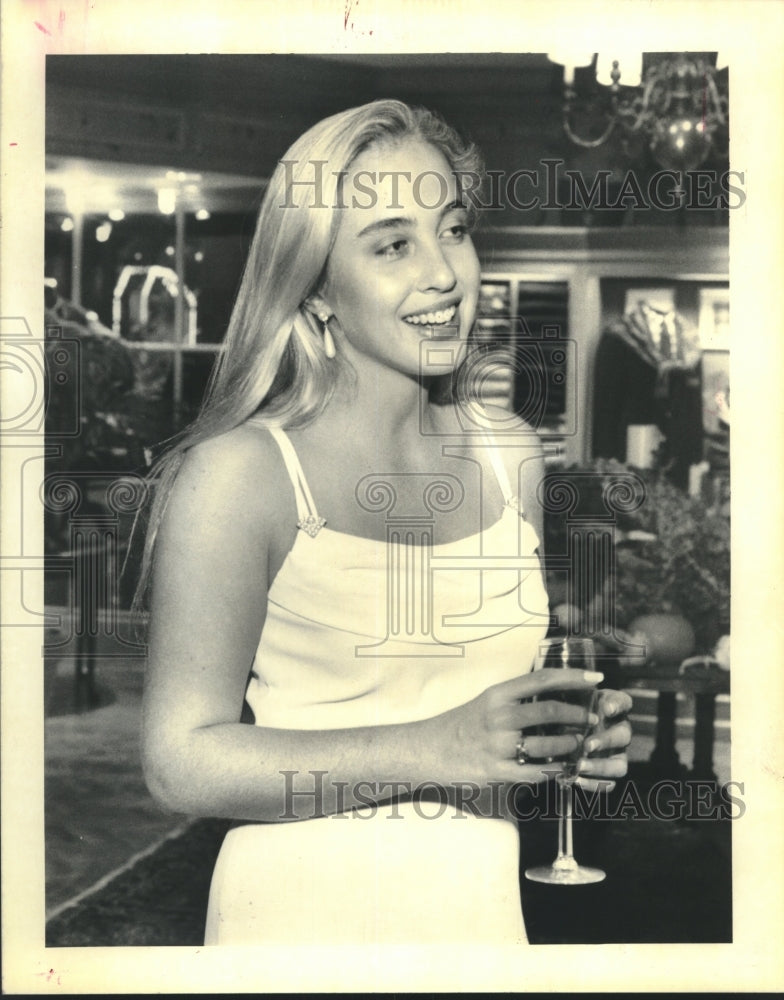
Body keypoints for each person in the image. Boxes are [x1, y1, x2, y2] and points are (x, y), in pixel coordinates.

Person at [138, 99, 632, 946]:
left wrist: (569, 750)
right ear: (319, 289)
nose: (443, 273)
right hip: (294, 928)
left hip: (478, 918)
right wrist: (436, 746)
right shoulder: (243, 475)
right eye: (393, 244)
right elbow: (180, 763)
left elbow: (493, 728)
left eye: (454, 228)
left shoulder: (510, 457)